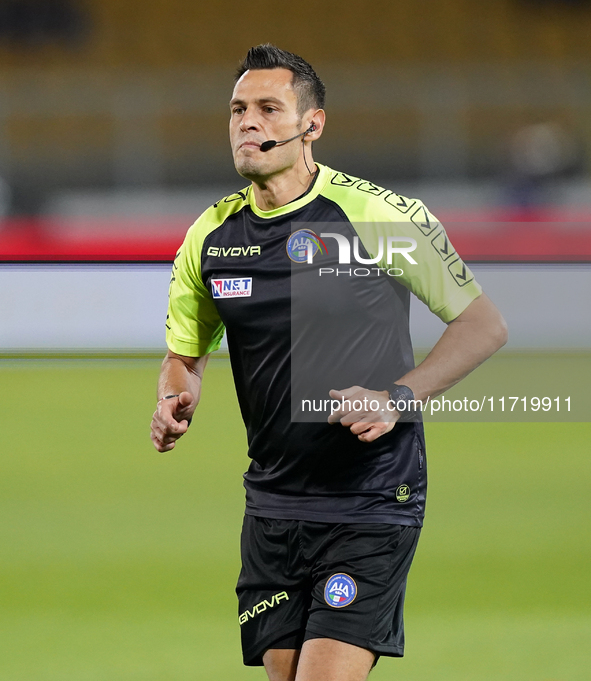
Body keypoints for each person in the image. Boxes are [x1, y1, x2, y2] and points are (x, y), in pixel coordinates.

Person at [150, 44, 508, 681]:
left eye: (267, 108)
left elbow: (482, 325)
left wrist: (400, 396)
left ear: (311, 125)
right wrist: (176, 395)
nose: (246, 123)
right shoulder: (210, 236)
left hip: (369, 498)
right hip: (272, 504)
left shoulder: (377, 216)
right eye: (237, 109)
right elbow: (186, 351)